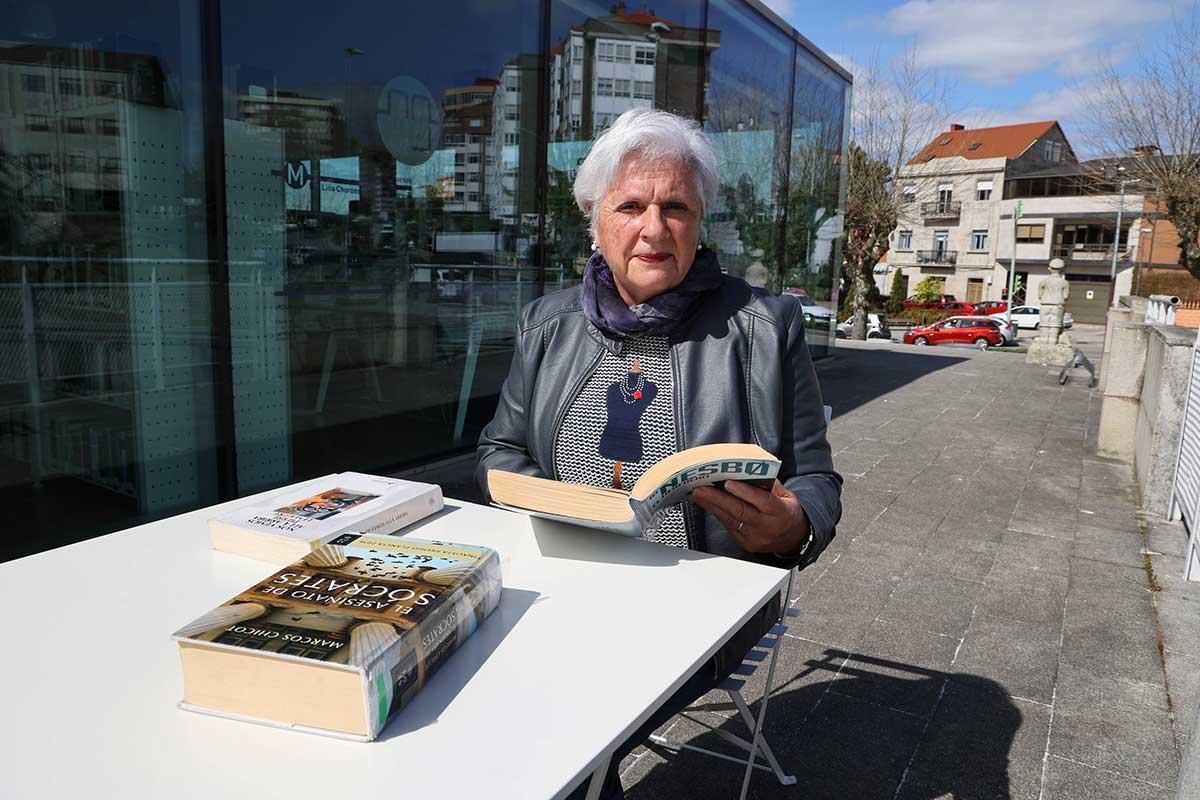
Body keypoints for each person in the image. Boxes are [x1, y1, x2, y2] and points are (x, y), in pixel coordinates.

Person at [476, 108, 842, 798]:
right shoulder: (546, 325)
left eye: (676, 207)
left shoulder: (767, 328)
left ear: (700, 221)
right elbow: (499, 448)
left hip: (701, 595)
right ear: (595, 219)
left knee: (562, 724)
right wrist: (552, 501)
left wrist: (793, 523)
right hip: (565, 576)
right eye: (632, 205)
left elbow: (817, 478)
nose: (654, 228)